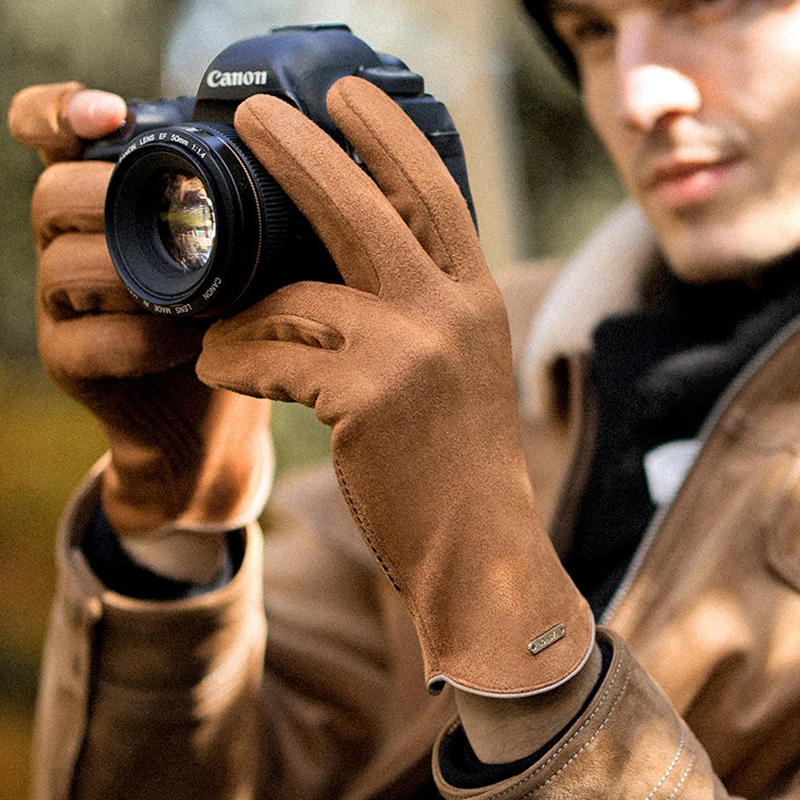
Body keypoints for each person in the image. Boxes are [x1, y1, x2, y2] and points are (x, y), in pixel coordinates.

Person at [8, 0, 800, 796]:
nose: (638, 96)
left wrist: (509, 618)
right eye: (592, 31)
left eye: (710, 6)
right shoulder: (482, 352)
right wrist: (171, 511)